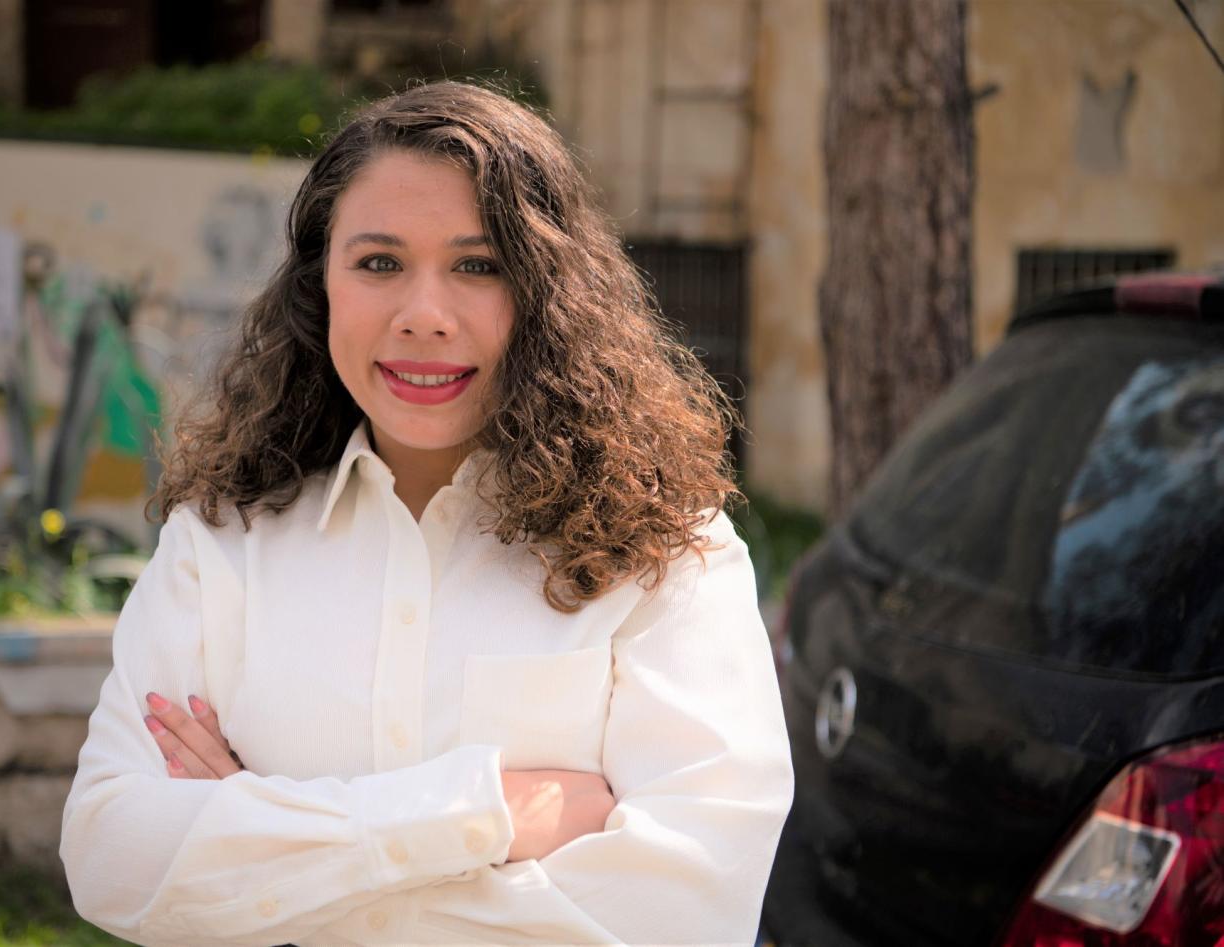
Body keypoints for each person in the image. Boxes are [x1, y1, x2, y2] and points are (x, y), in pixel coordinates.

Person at [60, 80, 793, 946]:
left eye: (478, 266)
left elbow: (689, 912)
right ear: (320, 285)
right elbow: (110, 854)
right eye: (379, 263)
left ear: (548, 293)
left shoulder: (666, 550)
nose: (424, 317)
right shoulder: (223, 540)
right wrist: (480, 815)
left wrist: (269, 859)